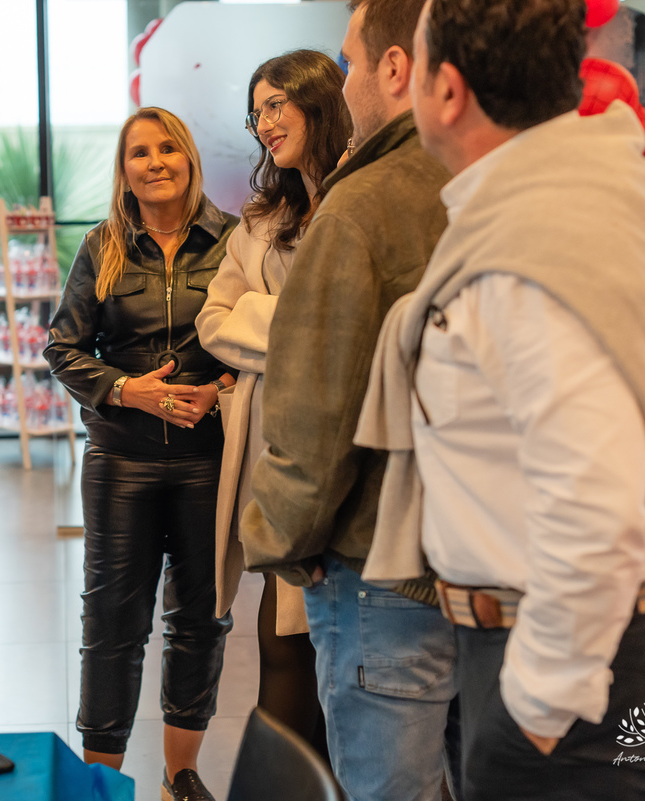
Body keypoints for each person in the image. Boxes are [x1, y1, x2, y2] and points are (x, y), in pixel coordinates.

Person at [356, 0, 645, 798]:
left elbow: (596, 509)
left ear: (446, 92)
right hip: (613, 640)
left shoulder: (538, 244)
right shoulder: (574, 189)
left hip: (584, 660)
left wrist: (538, 710)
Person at [237, 3, 457, 800]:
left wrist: (276, 538)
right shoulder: (475, 183)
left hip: (378, 566)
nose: (344, 79)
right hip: (476, 560)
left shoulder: (360, 205)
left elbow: (313, 413)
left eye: (350, 60)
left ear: (394, 69)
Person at [45, 107, 238, 801]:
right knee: (112, 621)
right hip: (120, 461)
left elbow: (259, 345)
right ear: (123, 169)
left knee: (200, 617)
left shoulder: (233, 243)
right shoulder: (102, 245)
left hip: (207, 460)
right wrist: (127, 390)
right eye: (139, 153)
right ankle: (102, 784)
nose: (154, 163)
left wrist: (217, 389)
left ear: (188, 158)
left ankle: (179, 778)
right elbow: (62, 348)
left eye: (167, 149)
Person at [195, 49, 350, 757]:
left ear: (319, 101)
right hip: (273, 460)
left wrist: (271, 318)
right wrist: (299, 327)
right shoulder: (262, 217)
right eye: (256, 110)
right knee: (282, 650)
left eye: (276, 103)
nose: (264, 122)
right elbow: (212, 321)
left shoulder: (362, 195)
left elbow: (353, 328)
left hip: (345, 461)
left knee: (341, 670)